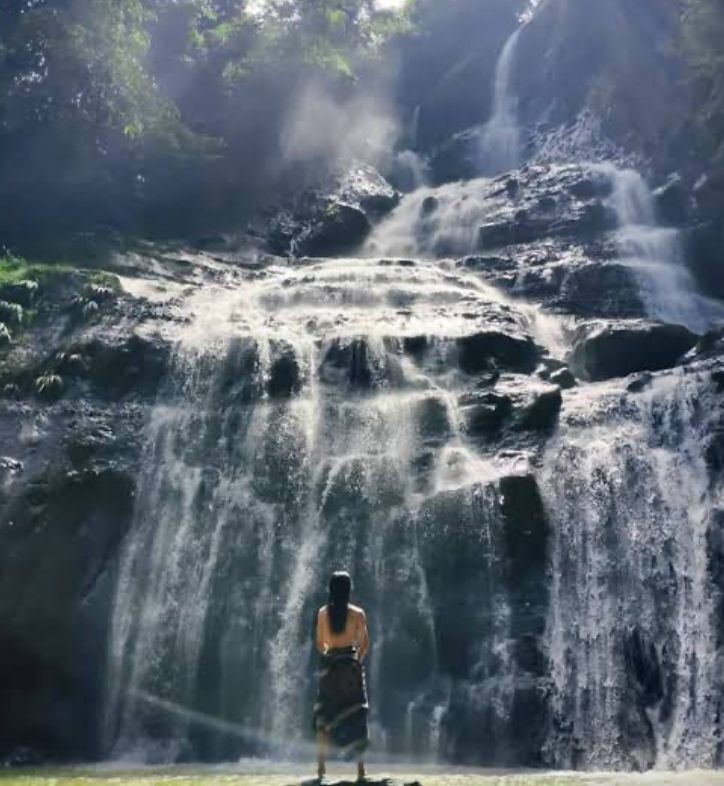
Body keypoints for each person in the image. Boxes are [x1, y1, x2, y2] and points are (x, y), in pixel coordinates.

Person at [313, 571, 370, 781]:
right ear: (349, 590)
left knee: (323, 720)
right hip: (351, 668)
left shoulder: (322, 613)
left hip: (330, 667)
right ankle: (361, 771)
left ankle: (320, 770)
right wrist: (356, 661)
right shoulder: (358, 614)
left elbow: (320, 644)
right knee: (358, 716)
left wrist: (331, 655)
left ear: (331, 590)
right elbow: (365, 644)